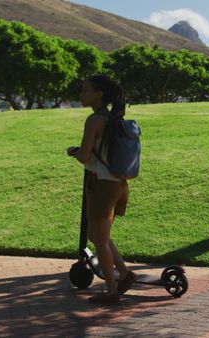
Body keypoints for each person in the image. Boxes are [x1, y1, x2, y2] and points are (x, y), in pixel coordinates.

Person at [67, 75, 136, 304]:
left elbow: (85, 156)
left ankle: (111, 291)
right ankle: (124, 275)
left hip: (102, 184)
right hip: (118, 183)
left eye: (86, 91)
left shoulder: (94, 119)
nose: (81, 94)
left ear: (99, 94)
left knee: (100, 240)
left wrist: (75, 152)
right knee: (97, 235)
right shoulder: (113, 118)